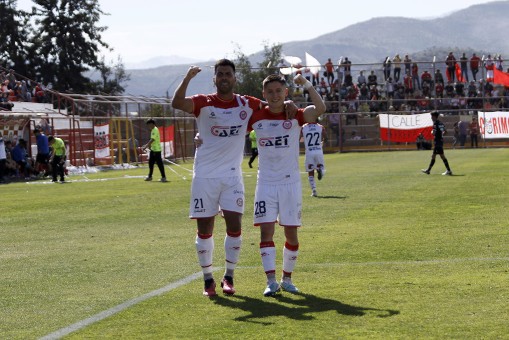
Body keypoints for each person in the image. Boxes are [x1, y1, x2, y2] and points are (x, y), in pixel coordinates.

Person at [171, 59, 264, 297]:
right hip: (204, 177)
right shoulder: (203, 102)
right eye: (220, 74)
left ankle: (229, 276)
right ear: (214, 79)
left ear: (235, 78)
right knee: (205, 229)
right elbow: (177, 102)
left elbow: (272, 107)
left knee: (235, 226)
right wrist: (188, 78)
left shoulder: (246, 104)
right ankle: (208, 279)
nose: (224, 77)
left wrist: (291, 105)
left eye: (228, 74)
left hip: (232, 177)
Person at [249, 74, 326, 296]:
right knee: (266, 233)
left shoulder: (295, 115)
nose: (274, 95)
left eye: (278, 91)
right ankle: (271, 281)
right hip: (265, 184)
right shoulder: (256, 117)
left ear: (286, 93)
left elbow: (319, 109)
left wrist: (307, 85)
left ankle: (287, 279)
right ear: (264, 94)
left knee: (291, 235)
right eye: (270, 91)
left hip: (290, 184)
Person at [421, 112, 453, 176]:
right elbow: (445, 131)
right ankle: (428, 170)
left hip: (437, 142)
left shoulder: (435, 124)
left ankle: (448, 170)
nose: (431, 118)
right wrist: (441, 135)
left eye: (432, 116)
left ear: (434, 116)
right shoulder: (440, 123)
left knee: (440, 156)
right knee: (435, 156)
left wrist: (432, 131)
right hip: (440, 141)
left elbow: (433, 133)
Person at [302, 118, 326, 197]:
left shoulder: (303, 127)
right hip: (318, 150)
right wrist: (322, 142)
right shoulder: (321, 127)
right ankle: (318, 169)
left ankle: (314, 190)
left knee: (310, 171)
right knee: (322, 169)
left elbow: (298, 138)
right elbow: (325, 138)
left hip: (309, 151)